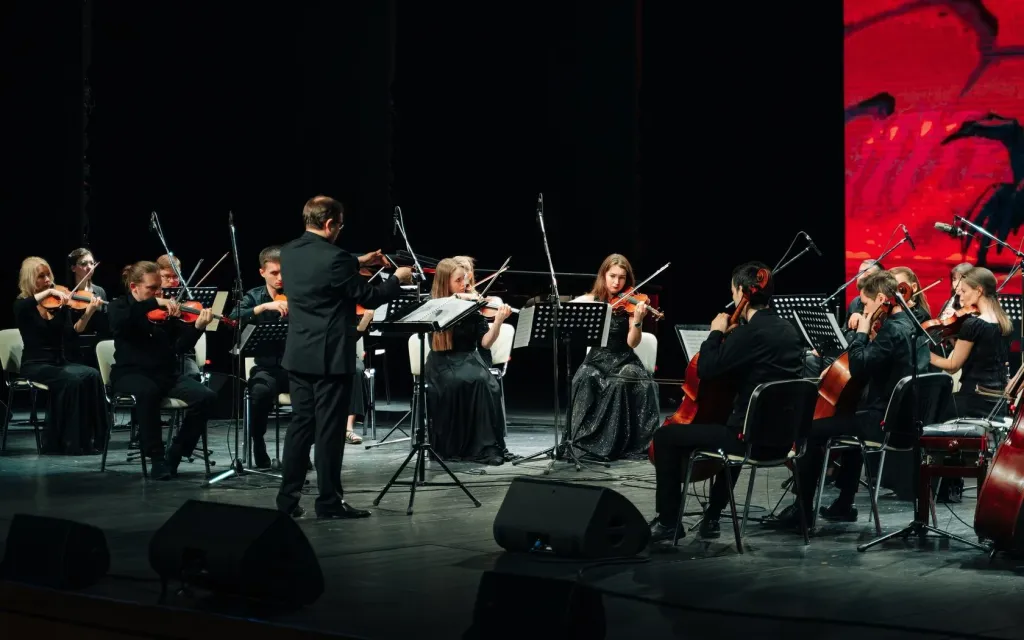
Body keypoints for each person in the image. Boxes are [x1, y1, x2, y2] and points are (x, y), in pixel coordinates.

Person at [275, 195, 412, 519]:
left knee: (301, 427)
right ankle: (328, 502)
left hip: (299, 354)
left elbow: (324, 263)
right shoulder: (336, 258)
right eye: (339, 226)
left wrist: (359, 260)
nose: (339, 231)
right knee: (329, 433)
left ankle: (287, 501)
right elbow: (369, 295)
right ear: (329, 224)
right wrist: (397, 279)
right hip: (329, 358)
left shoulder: (289, 251)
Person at [648, 262, 805, 542]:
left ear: (743, 292)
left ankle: (669, 522)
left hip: (748, 443)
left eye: (733, 292)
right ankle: (713, 515)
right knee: (739, 424)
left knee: (665, 437)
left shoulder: (748, 334)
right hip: (785, 441)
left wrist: (716, 333)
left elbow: (707, 368)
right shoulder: (790, 330)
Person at [771, 270, 929, 528]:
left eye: (865, 304)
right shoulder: (912, 325)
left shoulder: (892, 329)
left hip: (882, 424)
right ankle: (844, 503)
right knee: (850, 423)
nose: (864, 310)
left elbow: (858, 367)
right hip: (906, 424)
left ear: (881, 299)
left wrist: (862, 334)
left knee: (810, 429)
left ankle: (803, 510)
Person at [108, 261, 218, 480]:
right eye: (152, 288)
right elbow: (121, 324)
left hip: (165, 374)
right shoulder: (119, 306)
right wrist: (153, 302)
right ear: (134, 287)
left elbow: (179, 348)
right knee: (148, 392)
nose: (159, 293)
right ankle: (156, 459)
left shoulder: (165, 312)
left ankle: (177, 451)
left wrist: (197, 328)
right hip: (130, 374)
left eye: (159, 288)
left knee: (207, 397)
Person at [561, 254, 659, 461]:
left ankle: (614, 445)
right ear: (603, 276)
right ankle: (581, 442)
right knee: (584, 377)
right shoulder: (592, 300)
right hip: (597, 359)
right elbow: (567, 312)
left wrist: (638, 320)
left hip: (624, 359)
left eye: (622, 278)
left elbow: (632, 342)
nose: (616, 282)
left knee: (622, 381)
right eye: (612, 276)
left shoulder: (632, 304)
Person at [13, 257, 109, 455]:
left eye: (48, 275)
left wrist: (89, 312)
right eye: (41, 276)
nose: (48, 280)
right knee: (71, 380)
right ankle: (68, 442)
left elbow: (72, 333)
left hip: (58, 362)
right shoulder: (23, 305)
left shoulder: (59, 303)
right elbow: (21, 307)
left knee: (92, 375)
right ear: (30, 279)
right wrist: (48, 292)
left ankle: (94, 440)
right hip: (34, 365)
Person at [425, 258, 515, 465]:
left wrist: (498, 322)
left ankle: (488, 446)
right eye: (458, 281)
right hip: (442, 361)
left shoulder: (472, 306)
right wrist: (456, 298)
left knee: (488, 383)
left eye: (464, 280)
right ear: (445, 282)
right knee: (467, 381)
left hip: (468, 357)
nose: (464, 285)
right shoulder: (434, 305)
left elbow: (485, 342)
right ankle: (463, 447)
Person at [232, 246, 290, 468]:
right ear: (262, 272)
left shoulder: (297, 293)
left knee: (318, 394)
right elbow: (233, 318)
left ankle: (299, 449)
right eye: (274, 273)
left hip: (295, 366)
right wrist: (264, 307)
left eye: (283, 271)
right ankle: (258, 442)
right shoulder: (254, 296)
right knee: (259, 393)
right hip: (266, 368)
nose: (280, 278)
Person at [930, 266, 1011, 418]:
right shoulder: (1004, 322)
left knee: (934, 413)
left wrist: (923, 353)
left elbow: (952, 366)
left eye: (964, 291)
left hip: (973, 400)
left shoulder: (973, 324)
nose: (960, 296)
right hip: (997, 402)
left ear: (979, 291)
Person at [155, 253, 200, 379]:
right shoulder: (151, 296)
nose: (172, 281)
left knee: (193, 375)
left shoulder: (187, 298)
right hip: (156, 353)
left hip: (182, 353)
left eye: (176, 276)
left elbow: (187, 338)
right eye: (166, 276)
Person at [65, 247, 109, 367]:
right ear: (73, 268)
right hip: (75, 348)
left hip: (97, 346)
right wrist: (88, 312)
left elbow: (105, 325)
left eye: (91, 263)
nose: (89, 267)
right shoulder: (67, 294)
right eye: (84, 264)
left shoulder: (99, 291)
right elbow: (74, 330)